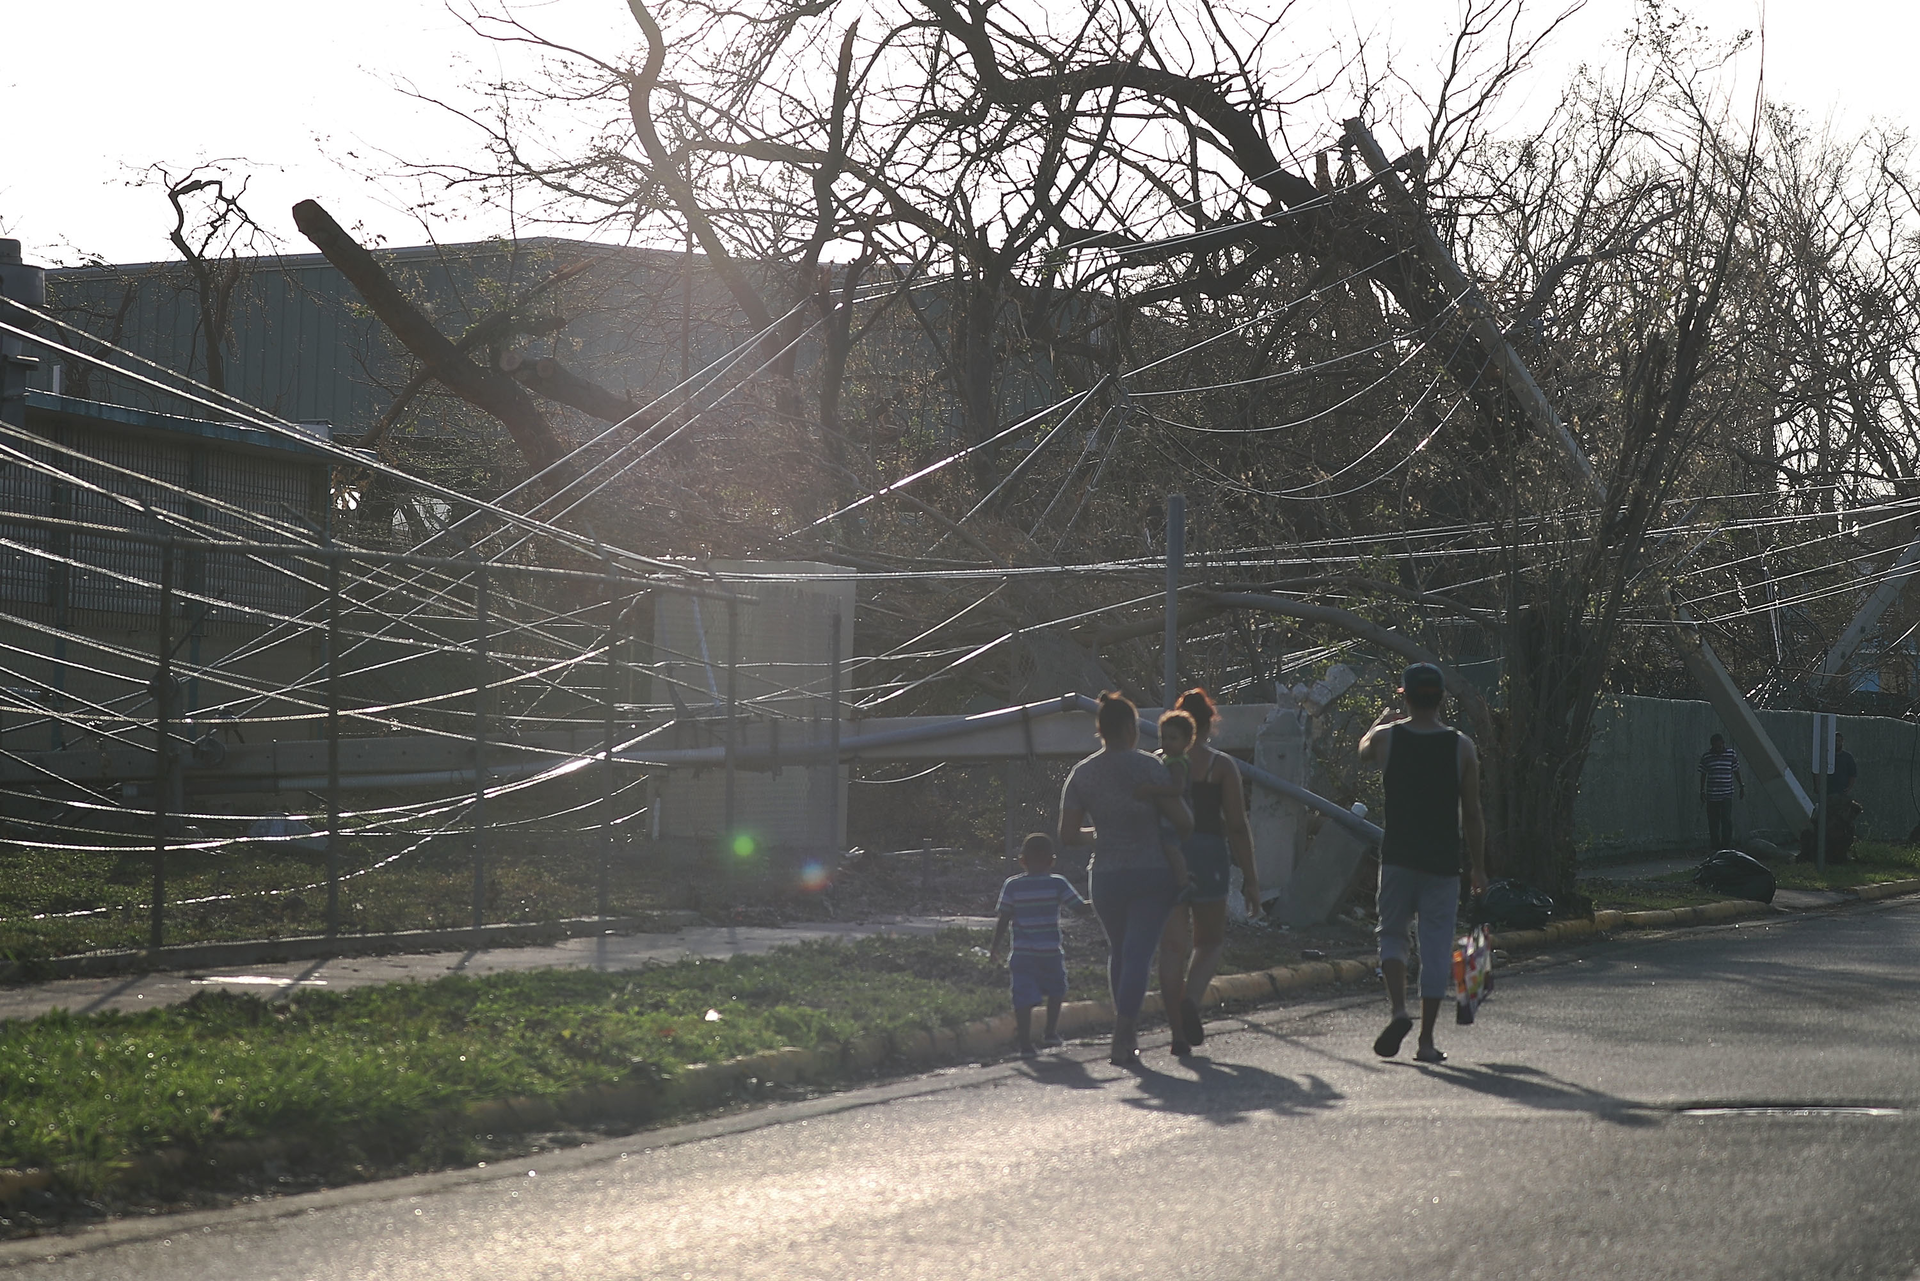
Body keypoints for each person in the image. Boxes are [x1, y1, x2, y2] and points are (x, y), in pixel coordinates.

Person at [1358, 662, 1488, 1065]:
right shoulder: (1461, 746)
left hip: (1397, 856)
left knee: (1392, 935)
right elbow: (1473, 813)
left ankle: (1399, 1011)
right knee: (1435, 949)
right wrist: (1478, 866)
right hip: (1442, 862)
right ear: (1443, 699)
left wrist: (1380, 720)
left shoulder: (1387, 739)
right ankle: (1426, 1043)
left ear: (1405, 696)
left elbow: (1362, 752)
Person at [1059, 690, 1193, 1067]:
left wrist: (1105, 834)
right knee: (1138, 954)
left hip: (1105, 877)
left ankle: (1126, 1032)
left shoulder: (1082, 773)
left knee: (1120, 952)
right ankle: (1123, 1031)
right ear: (1131, 729)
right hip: (1152, 872)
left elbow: (1069, 836)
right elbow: (1184, 820)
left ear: (1100, 730)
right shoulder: (1150, 767)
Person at [1154, 687, 1262, 1057]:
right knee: (1209, 940)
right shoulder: (1221, 766)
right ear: (1210, 721)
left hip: (1167, 857)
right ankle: (1192, 1001)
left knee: (1171, 946)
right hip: (1209, 854)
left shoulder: (1160, 762)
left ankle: (1177, 1035)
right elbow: (1236, 824)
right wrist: (1251, 878)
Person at [989, 833, 1090, 1056]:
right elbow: (1080, 908)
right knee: (1056, 990)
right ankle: (1050, 1033)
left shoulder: (1012, 885)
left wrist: (995, 946)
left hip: (1022, 953)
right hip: (1051, 951)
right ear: (1051, 860)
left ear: (1022, 860)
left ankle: (1025, 1043)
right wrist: (1105, 900)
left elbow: (1003, 918)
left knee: (1022, 996)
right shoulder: (1057, 883)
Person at [1135, 709, 1197, 881]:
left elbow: (1177, 789)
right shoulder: (1166, 757)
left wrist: (1150, 789)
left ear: (1187, 741)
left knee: (1170, 846)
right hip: (1168, 814)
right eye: (1164, 738)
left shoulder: (1177, 763)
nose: (1167, 742)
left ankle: (1183, 879)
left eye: (1173, 738)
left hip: (1177, 813)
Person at [1698, 732, 1743, 850]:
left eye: (1720, 746)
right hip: (1712, 795)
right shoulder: (1706, 757)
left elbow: (1736, 771)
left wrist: (1741, 785)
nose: (1718, 749)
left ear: (1723, 744)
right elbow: (1703, 775)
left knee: (1726, 820)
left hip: (1726, 793)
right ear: (1712, 746)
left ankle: (1726, 846)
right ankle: (1715, 846)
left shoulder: (1731, 754)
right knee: (1713, 822)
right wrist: (1702, 791)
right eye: (1716, 747)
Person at [1826, 732, 1858, 799]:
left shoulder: (1848, 757)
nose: (1837, 743)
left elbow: (1853, 775)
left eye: (1839, 741)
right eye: (1835, 741)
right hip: (1827, 792)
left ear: (1842, 742)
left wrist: (1848, 788)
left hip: (1842, 792)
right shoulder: (1826, 756)